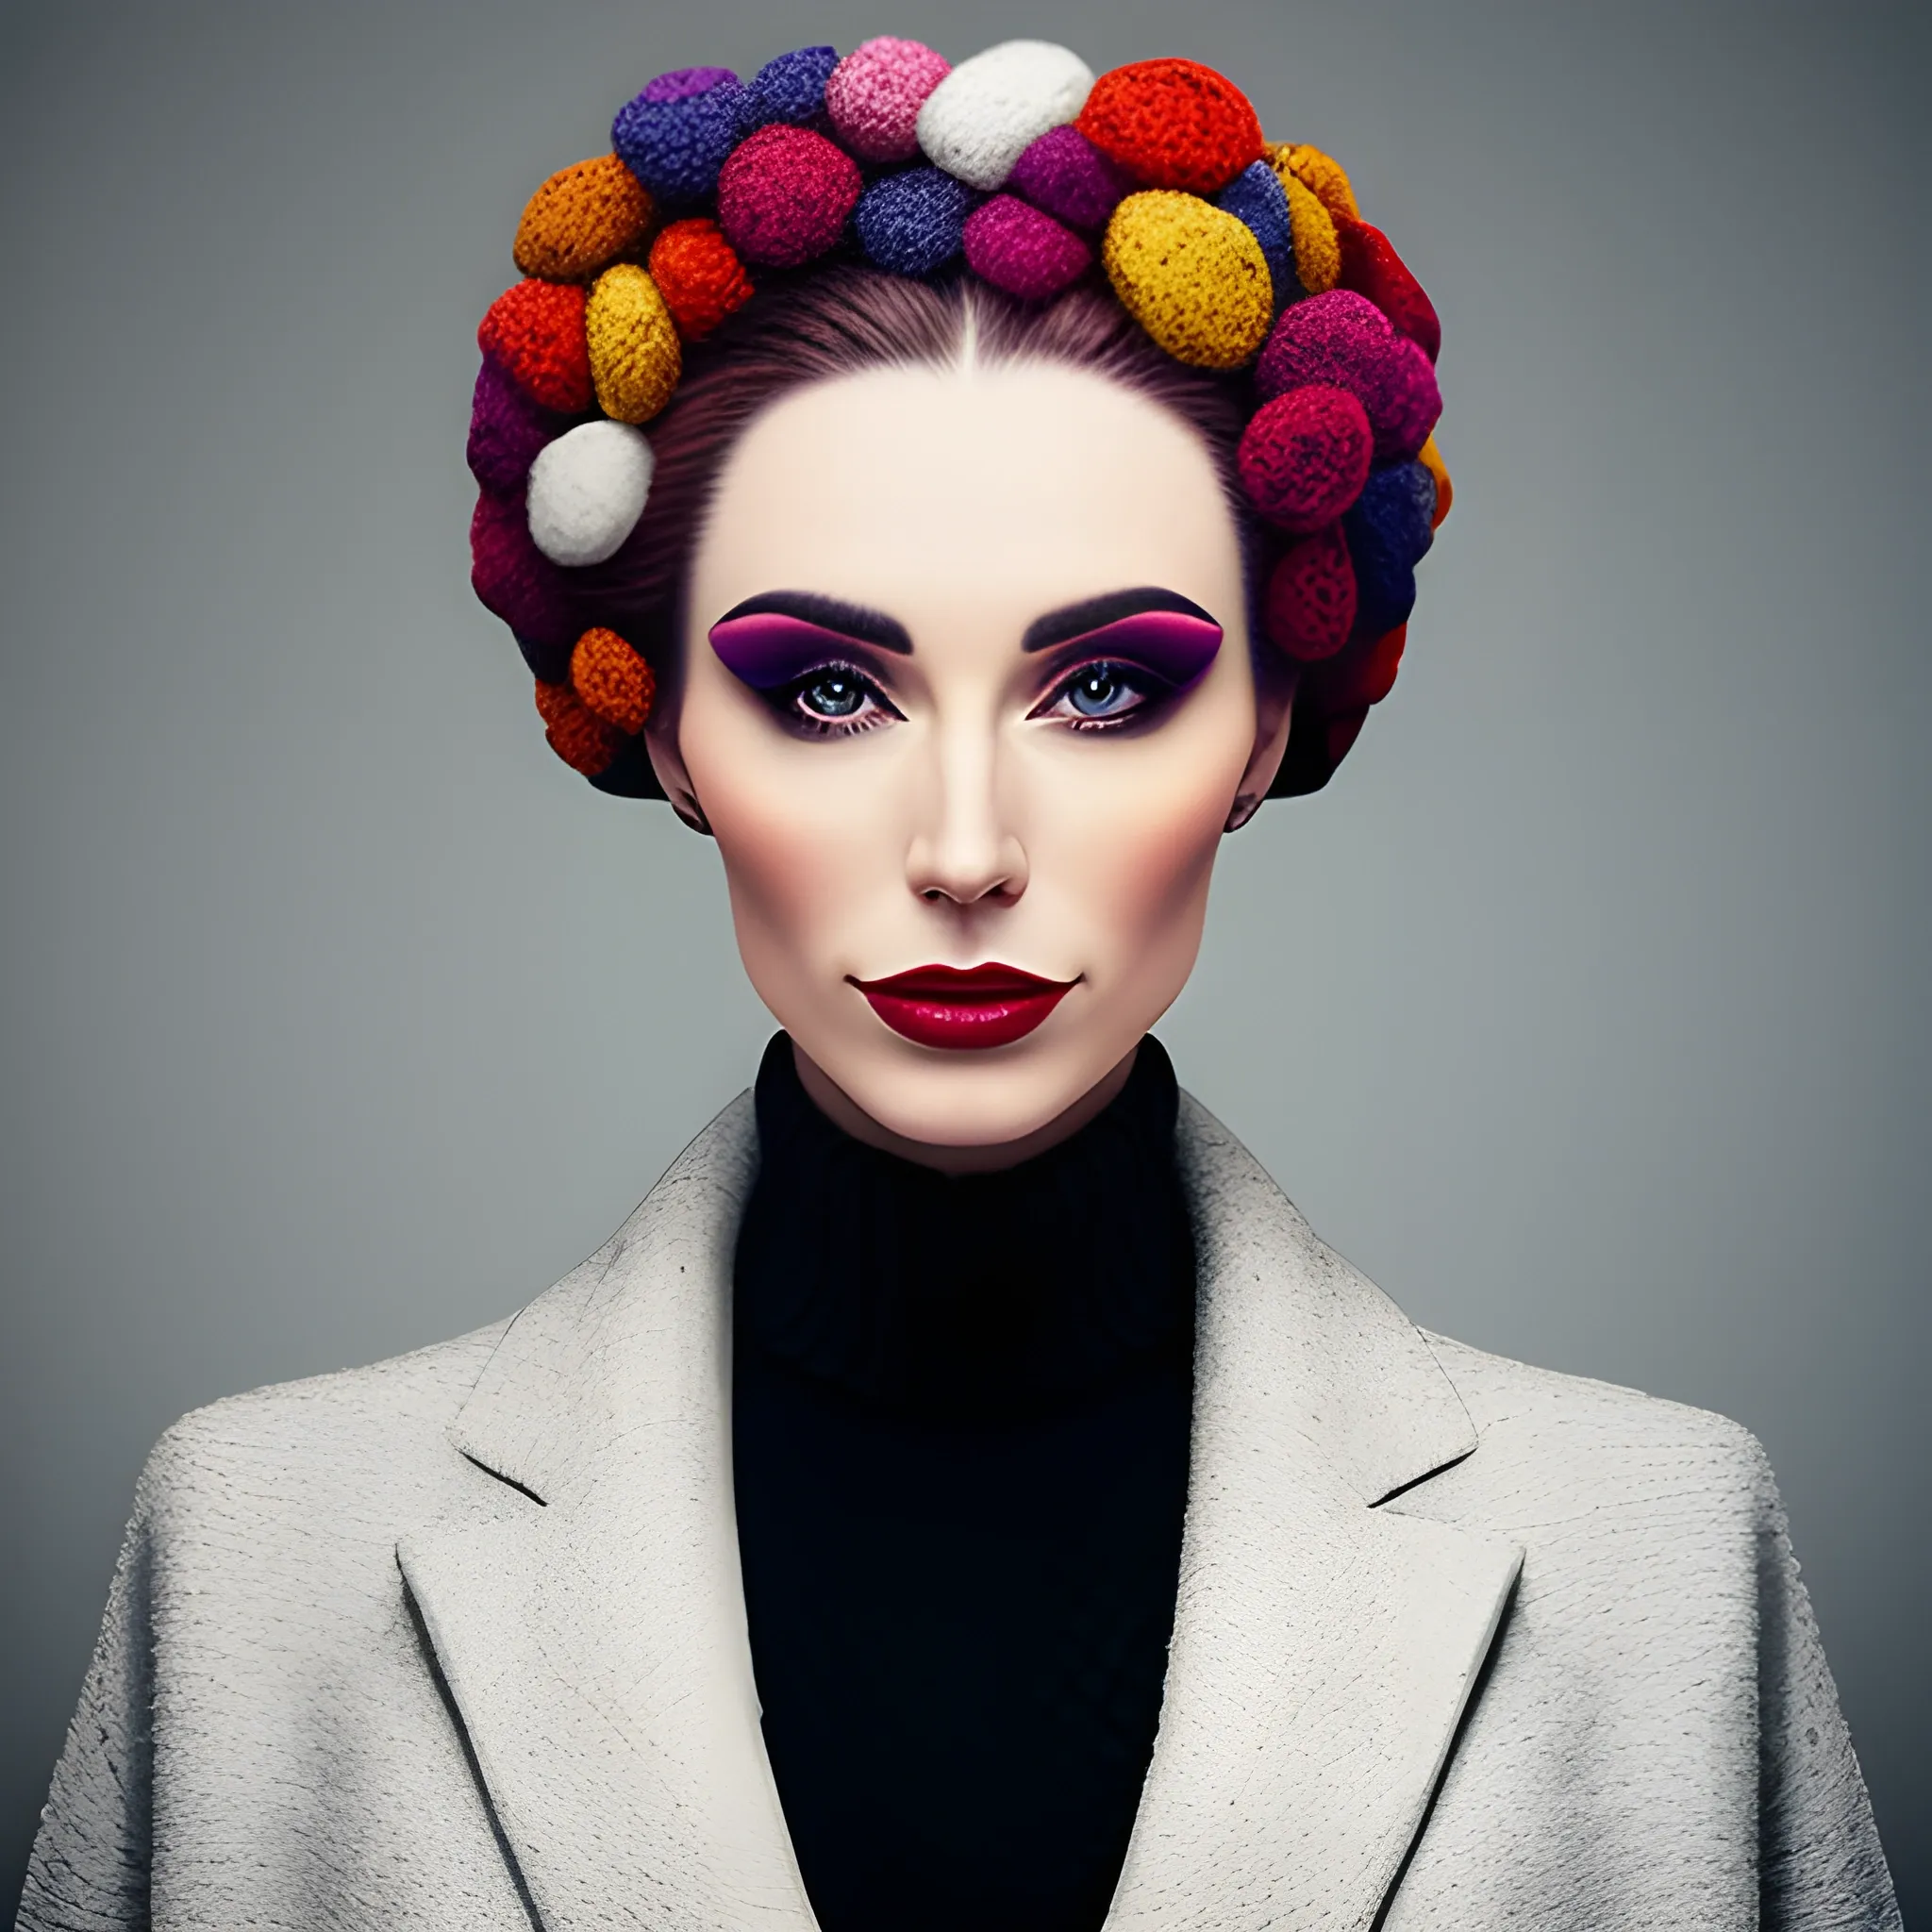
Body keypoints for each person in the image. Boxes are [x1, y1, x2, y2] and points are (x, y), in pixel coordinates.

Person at [17, 35, 1899, 1932]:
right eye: (827, 691)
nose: (968, 844)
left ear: (1265, 726)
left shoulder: (1657, 1559)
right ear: (660, 726)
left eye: (1107, 689)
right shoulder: (256, 1561)